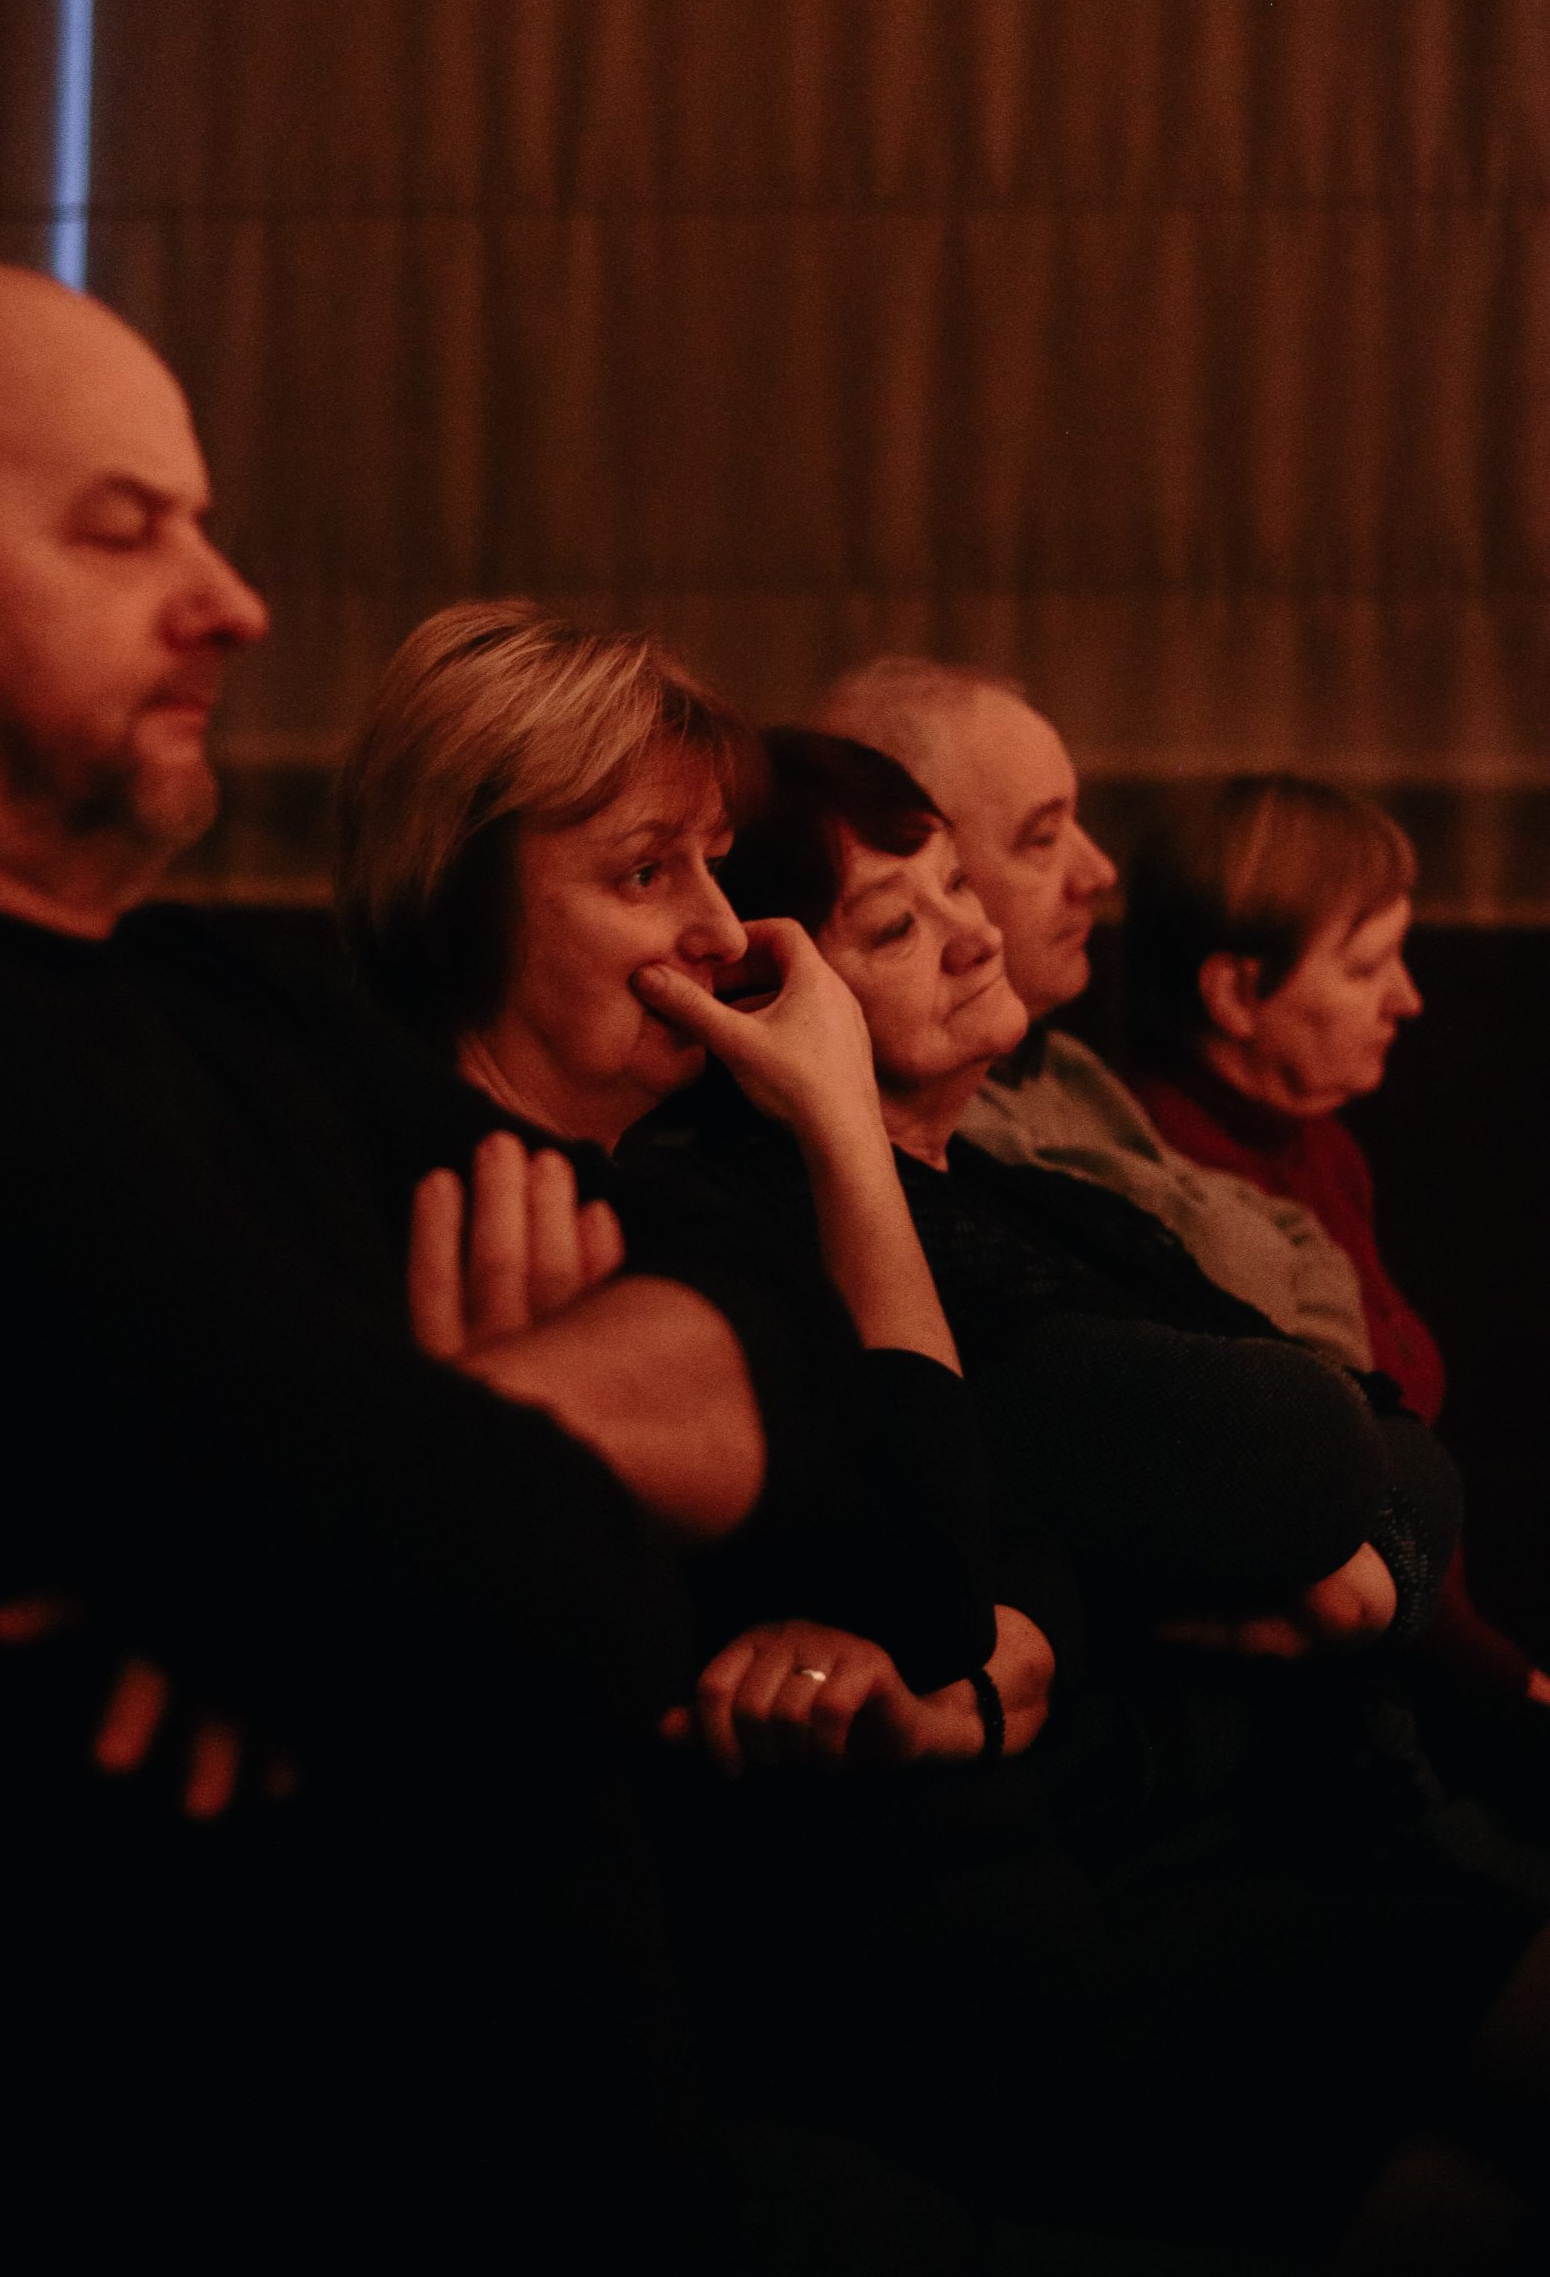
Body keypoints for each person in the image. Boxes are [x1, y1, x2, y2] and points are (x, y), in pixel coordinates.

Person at [0, 259, 973, 2271]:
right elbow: (555, 1615)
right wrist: (446, 1521)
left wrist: (412, 1448)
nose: (233, 601)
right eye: (120, 531)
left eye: (205, 525)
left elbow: (802, 1387)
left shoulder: (201, 1000)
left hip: (608, 2148)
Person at [639, 723, 1548, 2250]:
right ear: (763, 998)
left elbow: (1395, 1445)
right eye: (893, 925)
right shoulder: (788, 1231)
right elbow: (1294, 1453)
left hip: (1307, 1835)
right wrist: (1346, 1523)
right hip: (1158, 1897)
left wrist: (1368, 1575)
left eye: (954, 886)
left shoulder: (1033, 1200)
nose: (971, 931)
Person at [334, 597, 1065, 1759]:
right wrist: (842, 1122)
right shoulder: (382, 1196)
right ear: (460, 902)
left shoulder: (679, 1200)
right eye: (644, 873)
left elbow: (991, 1558)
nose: (724, 933)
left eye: (714, 866)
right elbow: (935, 1591)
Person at [1123, 773, 1548, 1714]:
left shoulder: (1317, 1146)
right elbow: (1334, 1518)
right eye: (1365, 968)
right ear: (1234, 992)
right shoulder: (1169, 1193)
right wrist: (1512, 1686)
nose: (1407, 999)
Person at [818, 655, 1377, 1366]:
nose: (1098, 872)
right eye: (1042, 838)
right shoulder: (943, 1134)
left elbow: (1294, 1238)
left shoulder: (1064, 1068)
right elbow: (1239, 1278)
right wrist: (1341, 1395)